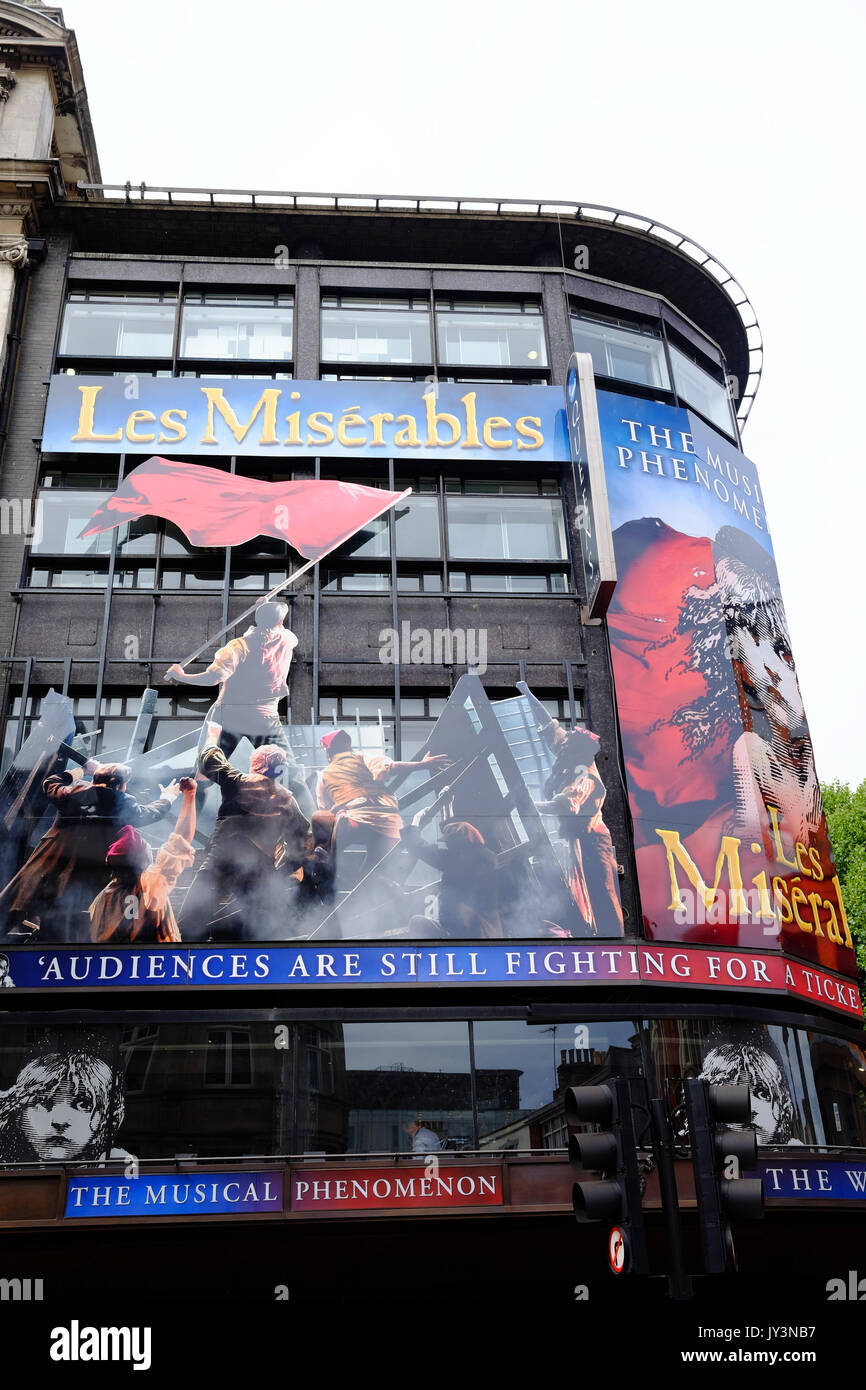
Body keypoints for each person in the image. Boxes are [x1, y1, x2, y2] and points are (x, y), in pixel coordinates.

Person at [0, 761, 180, 943]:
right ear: (119, 785)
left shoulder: (72, 793)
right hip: (85, 875)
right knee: (65, 922)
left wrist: (82, 770)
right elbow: (150, 813)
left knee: (15, 905)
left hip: (49, 865)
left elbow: (50, 783)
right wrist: (167, 798)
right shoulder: (123, 801)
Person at [165, 598, 314, 817]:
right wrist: (264, 606)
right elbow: (268, 633)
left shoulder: (237, 647)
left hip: (230, 716)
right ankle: (312, 824)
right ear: (281, 623)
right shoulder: (287, 640)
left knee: (204, 771)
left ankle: (187, 822)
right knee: (290, 773)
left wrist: (182, 676)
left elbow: (213, 678)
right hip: (266, 718)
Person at [179, 723, 311, 941]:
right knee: (257, 929)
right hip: (261, 871)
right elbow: (304, 842)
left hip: (220, 860)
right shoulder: (287, 799)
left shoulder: (237, 781)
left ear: (255, 764)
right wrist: (283, 869)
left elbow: (209, 760)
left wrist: (212, 737)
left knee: (191, 923)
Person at [317, 729, 446, 887]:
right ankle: (361, 890)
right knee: (369, 876)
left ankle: (326, 870)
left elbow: (324, 809)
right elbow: (391, 767)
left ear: (328, 752)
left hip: (357, 822)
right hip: (390, 828)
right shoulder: (363, 757)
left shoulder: (324, 775)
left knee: (323, 839)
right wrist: (422, 765)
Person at [533, 719, 624, 935]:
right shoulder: (568, 762)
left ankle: (612, 941)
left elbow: (567, 803)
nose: (562, 747)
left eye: (567, 745)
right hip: (577, 839)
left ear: (576, 750)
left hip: (593, 841)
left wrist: (532, 806)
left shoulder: (585, 772)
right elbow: (556, 740)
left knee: (602, 891)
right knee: (581, 889)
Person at [89, 777, 197, 944]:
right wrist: (189, 795)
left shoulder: (102, 899)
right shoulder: (149, 884)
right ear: (141, 858)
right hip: (157, 965)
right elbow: (180, 840)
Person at [0, 1049, 132, 1163]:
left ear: (105, 1116)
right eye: (43, 1101)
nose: (60, 1121)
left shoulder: (120, 1167)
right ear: (18, 1113)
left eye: (83, 1104)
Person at [400, 815, 504, 938]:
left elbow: (421, 848)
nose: (448, 845)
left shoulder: (460, 859)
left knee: (417, 923)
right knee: (419, 922)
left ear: (458, 839)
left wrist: (416, 822)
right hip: (481, 930)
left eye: (450, 840)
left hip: (472, 931)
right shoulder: (485, 857)